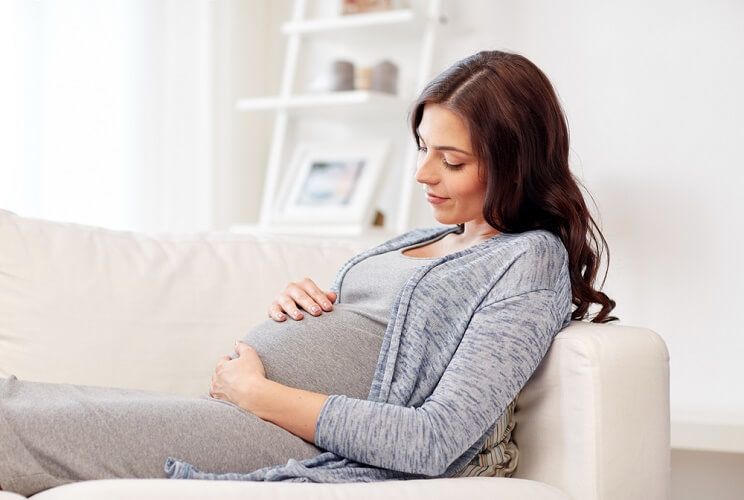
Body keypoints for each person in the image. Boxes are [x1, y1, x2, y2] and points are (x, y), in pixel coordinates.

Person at [0, 49, 617, 495]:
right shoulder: (433, 236)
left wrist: (258, 392)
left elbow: (434, 439)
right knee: (19, 399)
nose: (424, 174)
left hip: (300, 440)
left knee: (19, 429)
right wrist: (318, 301)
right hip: (246, 410)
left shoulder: (527, 260)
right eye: (423, 149)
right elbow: (377, 328)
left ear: (516, 162)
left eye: (451, 160)